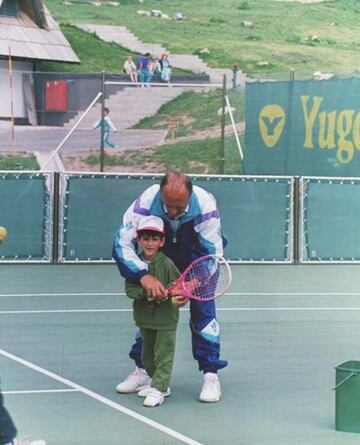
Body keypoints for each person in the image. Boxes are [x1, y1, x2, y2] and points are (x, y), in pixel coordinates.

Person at [113, 172, 228, 403]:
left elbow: (213, 256)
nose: (173, 212)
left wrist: (191, 284)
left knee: (204, 318)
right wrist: (144, 276)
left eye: (180, 207)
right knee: (150, 313)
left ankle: (210, 375)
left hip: (197, 261)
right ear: (160, 194)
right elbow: (122, 243)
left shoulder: (205, 206)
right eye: (168, 206)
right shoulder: (146, 202)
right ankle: (144, 371)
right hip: (161, 258)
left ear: (190, 196)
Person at [125, 215, 181, 407]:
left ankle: (160, 389)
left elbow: (177, 284)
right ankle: (156, 382)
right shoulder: (134, 264)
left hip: (166, 320)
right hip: (144, 320)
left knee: (163, 355)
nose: (150, 243)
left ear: (162, 241)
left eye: (155, 239)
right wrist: (148, 293)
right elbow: (130, 289)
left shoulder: (166, 263)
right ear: (138, 240)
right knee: (147, 357)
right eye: (146, 238)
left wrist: (174, 294)